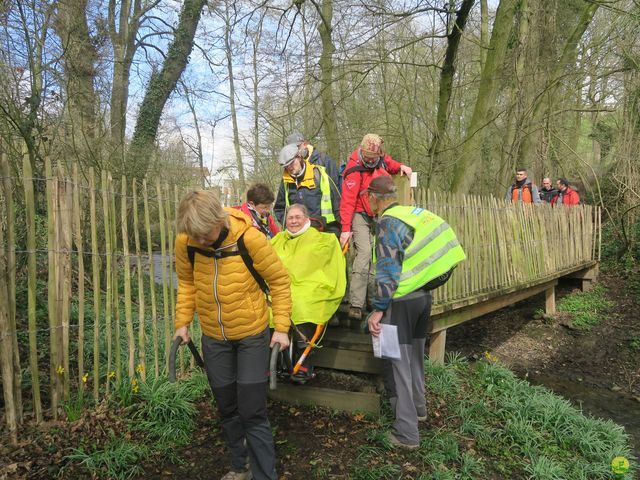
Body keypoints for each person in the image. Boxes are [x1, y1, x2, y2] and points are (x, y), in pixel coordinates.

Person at [173, 190, 291, 480]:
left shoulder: (249, 238)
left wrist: (282, 328)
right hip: (214, 337)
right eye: (194, 235)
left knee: (252, 411)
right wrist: (182, 322)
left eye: (204, 234)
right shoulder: (186, 242)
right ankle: (240, 466)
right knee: (227, 407)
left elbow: (279, 281)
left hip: (252, 335)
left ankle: (265, 475)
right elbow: (187, 283)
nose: (199, 240)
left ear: (218, 219)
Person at [365, 176, 466, 450]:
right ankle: (418, 410)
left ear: (374, 198)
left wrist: (377, 310)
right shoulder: (415, 213)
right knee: (414, 360)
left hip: (399, 302)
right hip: (423, 298)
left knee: (396, 362)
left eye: (368, 198)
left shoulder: (387, 222)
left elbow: (387, 270)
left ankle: (406, 433)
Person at [340, 133, 412, 322]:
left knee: (377, 254)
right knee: (364, 254)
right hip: (359, 214)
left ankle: (373, 299)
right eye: (368, 158)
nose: (371, 161)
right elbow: (347, 201)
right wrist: (345, 229)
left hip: (378, 213)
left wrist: (401, 167)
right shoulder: (353, 169)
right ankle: (356, 303)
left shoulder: (381, 159)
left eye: (375, 157)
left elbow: (390, 163)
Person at [271, 204, 346, 383]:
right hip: (281, 286)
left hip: (311, 285)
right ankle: (272, 359)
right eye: (290, 217)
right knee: (266, 305)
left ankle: (302, 359)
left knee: (303, 304)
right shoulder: (278, 239)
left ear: (306, 219)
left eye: (298, 217)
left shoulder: (323, 239)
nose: (294, 220)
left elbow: (328, 266)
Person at [274, 143, 341, 236]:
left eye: (292, 163)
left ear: (299, 157)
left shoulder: (319, 174)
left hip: (324, 231)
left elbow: (337, 202)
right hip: (298, 234)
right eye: (286, 166)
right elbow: (279, 208)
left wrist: (343, 229)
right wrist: (290, 224)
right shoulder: (285, 182)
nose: (290, 167)